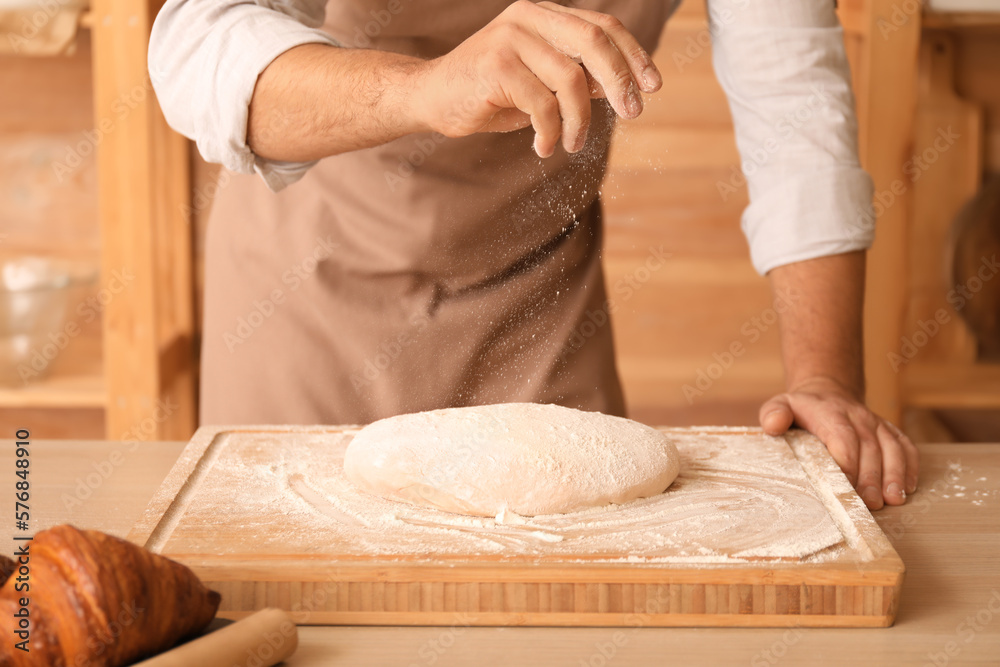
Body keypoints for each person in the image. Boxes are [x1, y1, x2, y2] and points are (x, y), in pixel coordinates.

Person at [148, 0, 918, 510]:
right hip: (305, 299)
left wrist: (824, 376)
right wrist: (427, 90)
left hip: (542, 307)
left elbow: (794, 105)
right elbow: (199, 39)